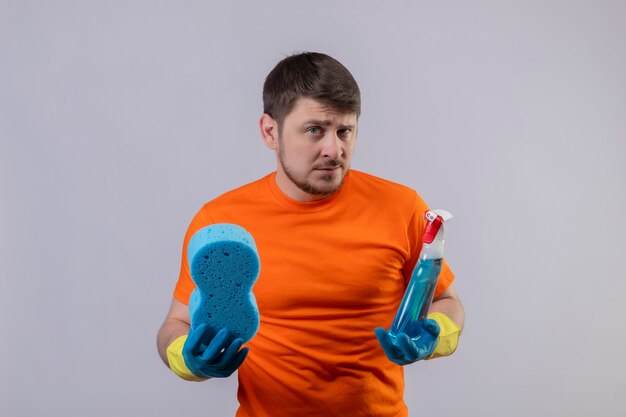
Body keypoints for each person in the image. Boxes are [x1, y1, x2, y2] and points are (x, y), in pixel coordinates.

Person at [157, 52, 465, 417]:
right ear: (270, 132)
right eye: (315, 130)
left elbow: (449, 302)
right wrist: (186, 359)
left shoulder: (403, 207)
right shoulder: (220, 222)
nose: (333, 150)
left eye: (344, 131)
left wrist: (433, 336)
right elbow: (175, 325)